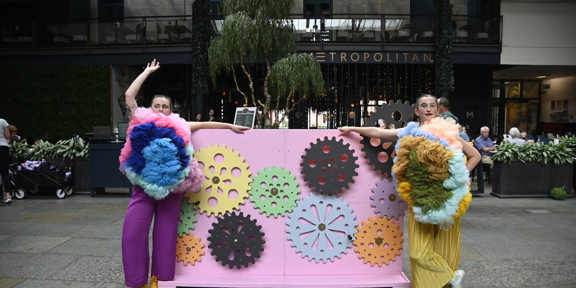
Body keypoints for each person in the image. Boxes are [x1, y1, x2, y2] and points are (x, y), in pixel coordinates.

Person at [120, 59, 249, 288]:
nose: (160, 109)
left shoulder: (178, 124)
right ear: (150, 108)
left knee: (166, 236)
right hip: (144, 187)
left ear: (171, 110)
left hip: (174, 186)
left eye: (165, 106)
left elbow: (204, 124)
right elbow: (129, 95)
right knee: (132, 234)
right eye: (156, 106)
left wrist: (229, 126)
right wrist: (147, 72)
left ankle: (159, 280)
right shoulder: (139, 120)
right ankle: (137, 282)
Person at [339, 94, 480, 288]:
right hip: (419, 197)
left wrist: (457, 176)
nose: (428, 109)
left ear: (438, 110)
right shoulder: (410, 131)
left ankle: (447, 281)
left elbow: (475, 156)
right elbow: (378, 133)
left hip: (447, 197)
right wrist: (353, 128)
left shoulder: (449, 132)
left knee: (445, 247)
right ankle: (450, 277)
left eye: (432, 105)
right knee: (417, 252)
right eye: (424, 105)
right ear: (417, 111)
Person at [0, 118, 13, 204]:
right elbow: (8, 136)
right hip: (3, 147)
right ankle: (7, 195)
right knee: (4, 172)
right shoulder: (3, 121)